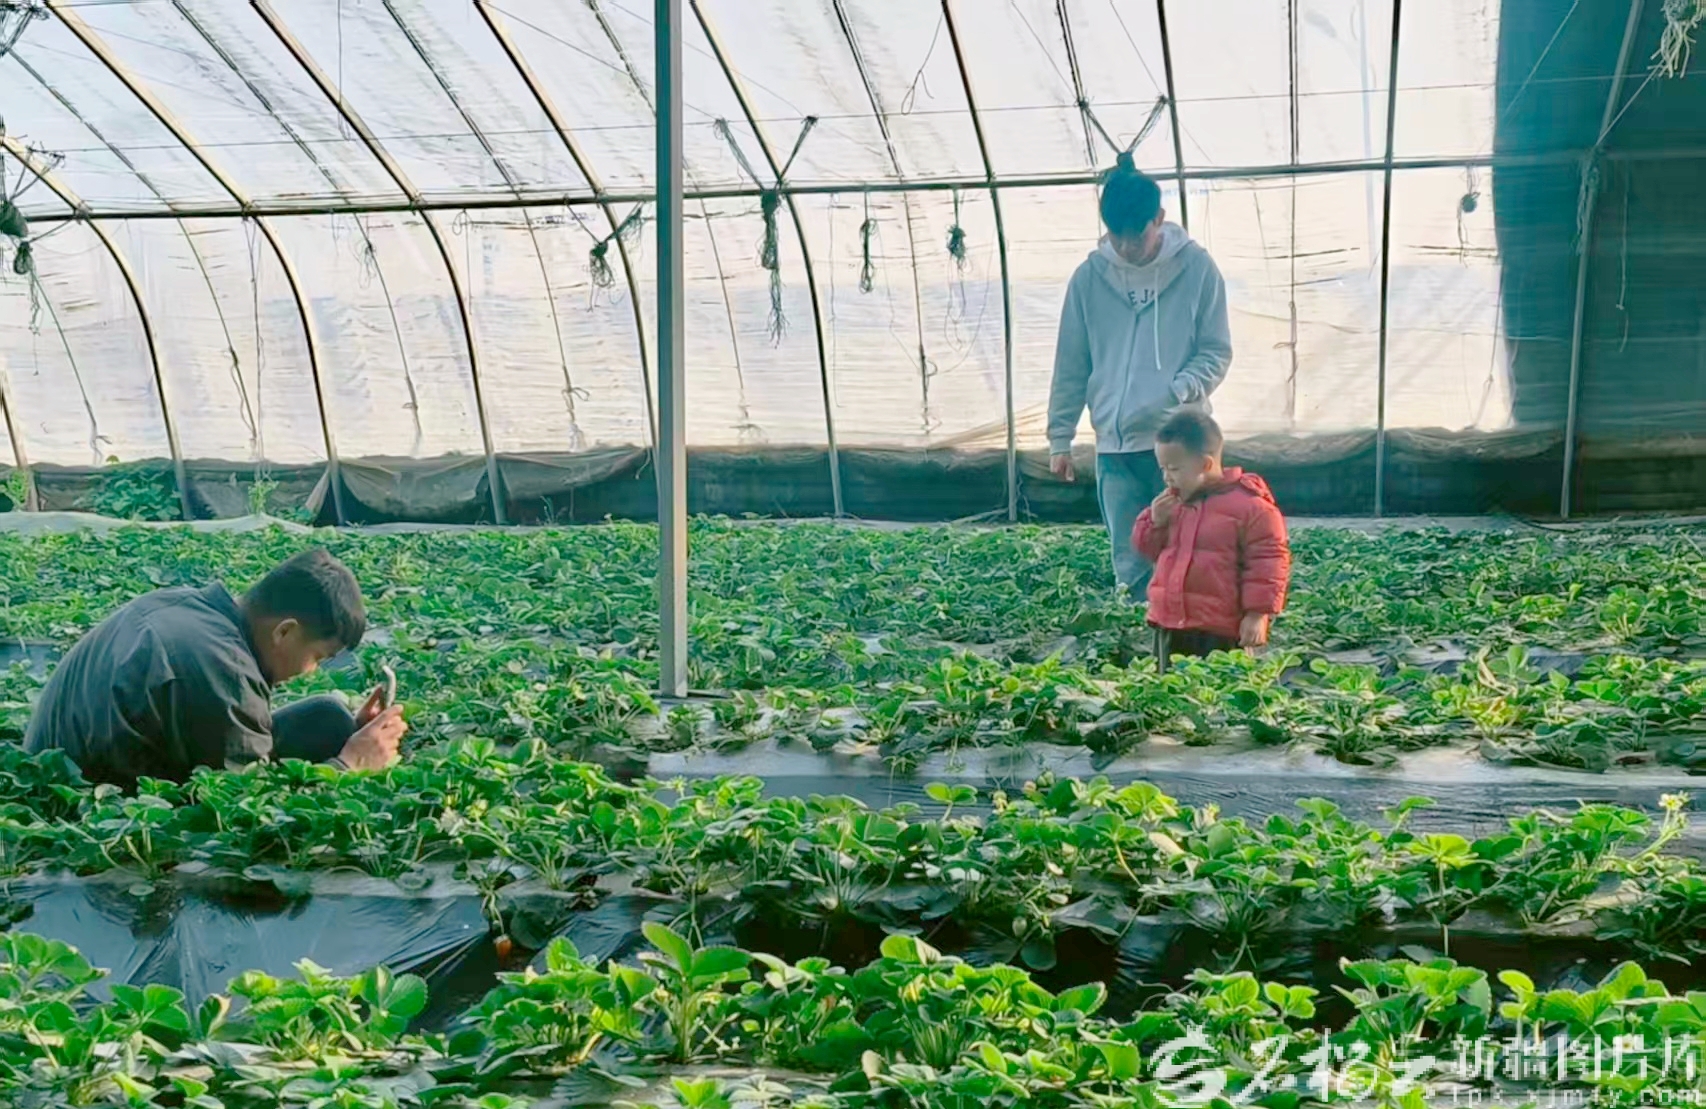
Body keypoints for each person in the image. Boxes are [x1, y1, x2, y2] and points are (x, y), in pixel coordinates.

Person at [24, 548, 406, 789]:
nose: (311, 671)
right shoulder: (225, 670)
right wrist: (350, 764)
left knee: (328, 717)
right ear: (285, 631)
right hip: (83, 802)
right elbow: (252, 816)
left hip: (71, 762)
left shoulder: (189, 607)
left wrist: (351, 737)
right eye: (318, 657)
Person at [1048, 153, 1233, 595]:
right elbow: (1072, 362)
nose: (1127, 247)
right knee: (1130, 556)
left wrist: (1180, 389)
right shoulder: (1088, 279)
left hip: (1180, 441)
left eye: (1138, 235)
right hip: (1115, 447)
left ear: (1160, 219)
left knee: (1191, 549)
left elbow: (1216, 350)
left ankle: (1192, 630)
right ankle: (1137, 629)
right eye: (1117, 236)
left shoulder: (1196, 269)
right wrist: (1060, 438)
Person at [1132, 410, 1290, 670]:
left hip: (1220, 629)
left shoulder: (1253, 508)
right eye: (1163, 468)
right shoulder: (1171, 504)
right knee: (1169, 688)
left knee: (1220, 688)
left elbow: (1267, 565)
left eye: (1174, 469)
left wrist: (1257, 615)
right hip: (1170, 622)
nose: (1167, 477)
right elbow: (1147, 550)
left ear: (1205, 465)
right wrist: (1154, 522)